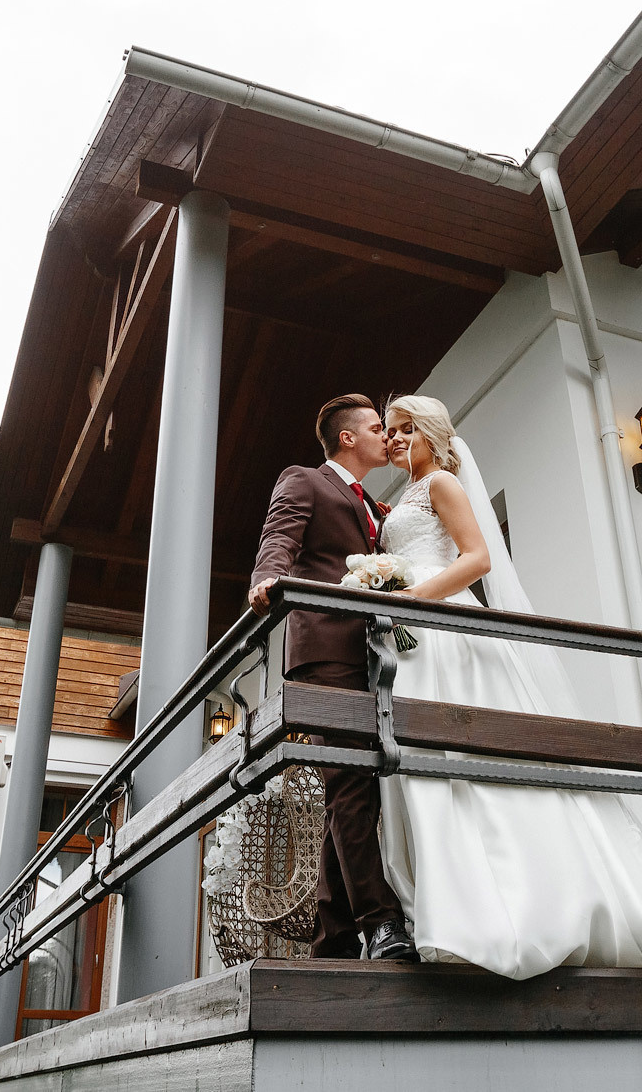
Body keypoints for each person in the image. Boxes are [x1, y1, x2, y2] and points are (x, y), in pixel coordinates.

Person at [374, 393, 642, 1073]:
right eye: (386, 432)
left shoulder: (442, 483)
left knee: (468, 766)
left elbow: (477, 558)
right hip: (417, 644)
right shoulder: (408, 493)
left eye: (399, 431)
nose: (390, 442)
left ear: (427, 433)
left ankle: (501, 910)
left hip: (446, 634)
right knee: (428, 766)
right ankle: (451, 912)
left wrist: (408, 595)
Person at [247, 393, 417, 962]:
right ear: (348, 438)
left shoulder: (373, 503)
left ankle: (334, 941)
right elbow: (281, 537)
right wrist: (269, 577)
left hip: (371, 654)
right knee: (350, 783)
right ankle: (382, 921)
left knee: (355, 783)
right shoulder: (306, 480)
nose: (385, 437)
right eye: (376, 428)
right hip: (323, 648)